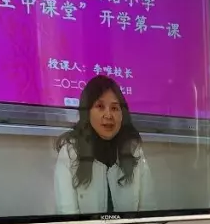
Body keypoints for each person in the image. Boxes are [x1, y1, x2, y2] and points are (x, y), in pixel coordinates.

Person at [54, 75, 153, 215]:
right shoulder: (70, 153)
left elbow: (148, 210)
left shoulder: (134, 151)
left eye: (114, 108)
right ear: (87, 112)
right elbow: (67, 216)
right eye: (100, 106)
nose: (108, 115)